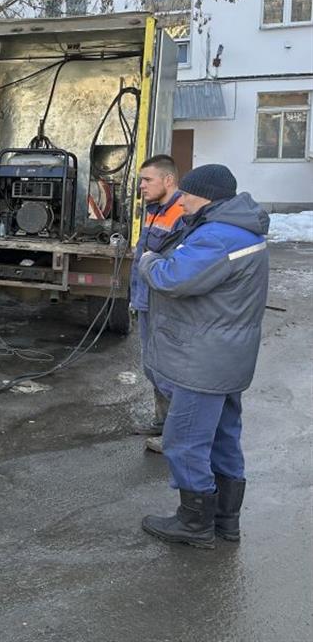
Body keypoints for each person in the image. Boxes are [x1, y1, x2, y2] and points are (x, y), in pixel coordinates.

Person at [138, 164, 269, 548]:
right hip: (226, 357)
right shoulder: (238, 228)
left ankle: (193, 523)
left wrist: (148, 261)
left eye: (188, 194)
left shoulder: (218, 236)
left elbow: (173, 277)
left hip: (204, 361)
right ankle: (226, 522)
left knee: (185, 440)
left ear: (205, 195)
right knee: (223, 438)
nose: (183, 200)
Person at [130, 155, 186, 455]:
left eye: (147, 180)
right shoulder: (155, 210)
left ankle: (175, 434)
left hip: (163, 304)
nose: (141, 186)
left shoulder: (181, 213)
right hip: (147, 301)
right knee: (152, 366)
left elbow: (172, 265)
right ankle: (162, 421)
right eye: (141, 180)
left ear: (168, 180)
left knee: (166, 368)